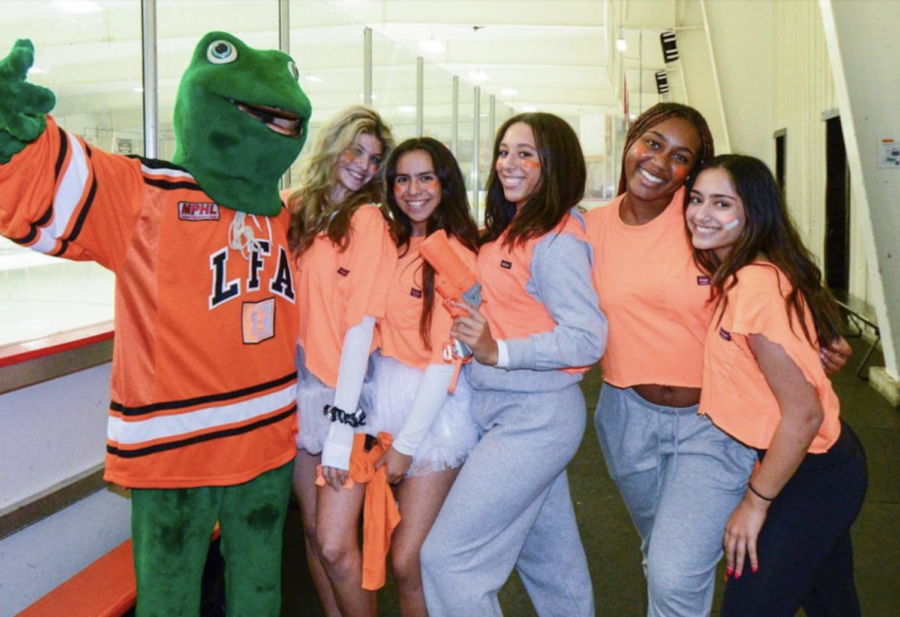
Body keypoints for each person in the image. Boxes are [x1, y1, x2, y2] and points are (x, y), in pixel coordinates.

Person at [584, 102, 851, 616]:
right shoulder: (590, 230)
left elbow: (772, 271)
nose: (660, 162)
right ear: (631, 139)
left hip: (711, 425)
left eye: (681, 156)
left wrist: (813, 338)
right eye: (653, 143)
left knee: (673, 569)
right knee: (661, 554)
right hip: (626, 419)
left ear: (694, 169)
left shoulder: (703, 221)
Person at [420, 112, 608, 617]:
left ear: (555, 163)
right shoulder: (509, 231)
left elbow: (587, 338)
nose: (509, 163)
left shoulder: (556, 241)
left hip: (536, 418)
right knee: (551, 565)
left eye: (526, 153)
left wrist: (497, 350)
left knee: (447, 561)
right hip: (499, 408)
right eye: (504, 151)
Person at [685, 154, 868, 616]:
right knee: (832, 603)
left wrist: (755, 502)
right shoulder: (750, 273)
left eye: (722, 204)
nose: (702, 214)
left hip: (812, 472)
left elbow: (804, 414)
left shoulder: (754, 285)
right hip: (804, 463)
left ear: (754, 213)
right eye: (697, 199)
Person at [355, 136, 481, 617]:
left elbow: (447, 358)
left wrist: (406, 447)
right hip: (385, 399)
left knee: (410, 559)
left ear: (446, 183)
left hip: (436, 413)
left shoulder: (458, 254)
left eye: (426, 177)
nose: (413, 189)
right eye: (402, 178)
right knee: (403, 556)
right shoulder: (390, 243)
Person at [287, 105, 395, 617]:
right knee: (311, 534)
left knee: (335, 543)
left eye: (375, 158)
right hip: (297, 390)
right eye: (356, 149)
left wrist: (340, 427)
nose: (363, 165)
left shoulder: (368, 220)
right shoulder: (295, 210)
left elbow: (361, 328)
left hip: (347, 397)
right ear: (333, 146)